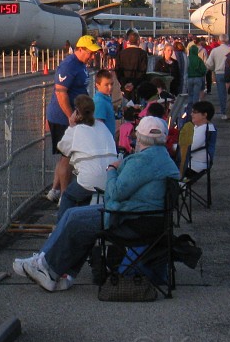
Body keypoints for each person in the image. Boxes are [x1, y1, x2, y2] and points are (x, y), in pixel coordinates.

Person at [12, 116, 179, 291]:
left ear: (139, 138)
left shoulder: (143, 161)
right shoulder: (163, 158)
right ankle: (49, 266)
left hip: (131, 220)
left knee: (77, 219)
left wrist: (112, 170)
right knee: (72, 215)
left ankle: (49, 268)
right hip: (147, 218)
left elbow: (114, 193)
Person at [45, 35, 101, 202]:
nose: (92, 56)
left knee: (65, 157)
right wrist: (71, 116)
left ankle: (54, 190)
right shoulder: (69, 65)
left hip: (72, 117)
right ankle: (64, 196)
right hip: (63, 118)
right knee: (67, 158)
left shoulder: (81, 65)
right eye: (90, 53)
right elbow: (60, 93)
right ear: (80, 49)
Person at [54, 95, 117, 218]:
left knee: (68, 196)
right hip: (110, 177)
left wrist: (71, 126)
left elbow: (62, 148)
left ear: (77, 112)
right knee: (83, 196)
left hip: (90, 179)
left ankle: (60, 228)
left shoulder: (76, 130)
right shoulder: (102, 126)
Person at [184, 100, 217, 179]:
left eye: (194, 112)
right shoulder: (203, 127)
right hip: (193, 162)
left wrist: (172, 147)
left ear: (204, 115)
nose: (191, 114)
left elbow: (189, 147)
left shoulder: (205, 129)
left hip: (195, 164)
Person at [115, 30, 149, 99]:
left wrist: (124, 83)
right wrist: (133, 84)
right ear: (138, 41)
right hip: (138, 86)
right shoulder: (143, 54)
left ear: (129, 41)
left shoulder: (121, 54)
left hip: (125, 86)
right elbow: (143, 71)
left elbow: (118, 70)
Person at [205, 35, 230, 118]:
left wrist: (214, 68)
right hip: (229, 73)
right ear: (227, 40)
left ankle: (224, 112)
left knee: (221, 94)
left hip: (219, 73)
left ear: (219, 41)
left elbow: (209, 64)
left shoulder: (215, 50)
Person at [93, 69, 117, 140]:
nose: (110, 87)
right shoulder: (100, 102)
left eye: (111, 84)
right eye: (106, 85)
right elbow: (99, 126)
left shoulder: (105, 99)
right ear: (97, 85)